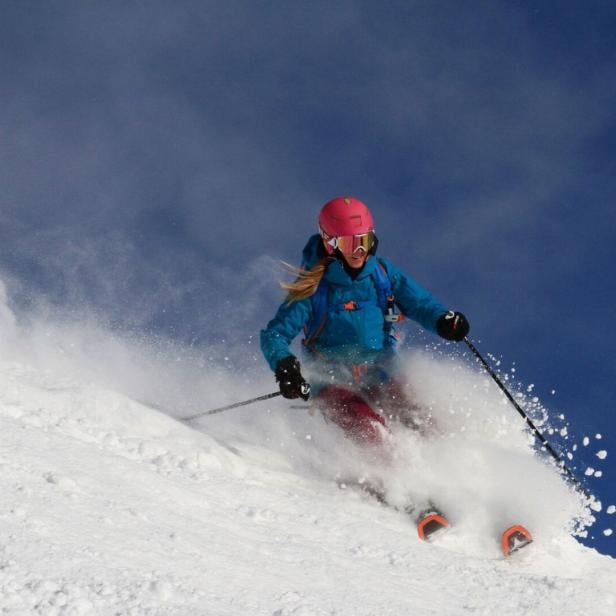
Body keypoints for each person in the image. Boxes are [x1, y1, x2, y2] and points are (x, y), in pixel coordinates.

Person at [260, 196, 470, 449]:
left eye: (365, 242)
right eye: (350, 245)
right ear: (330, 244)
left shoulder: (382, 273)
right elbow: (275, 335)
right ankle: (387, 482)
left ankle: (451, 474)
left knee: (423, 425)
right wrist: (286, 368)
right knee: (373, 432)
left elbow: (419, 303)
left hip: (381, 371)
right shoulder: (313, 289)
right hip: (332, 380)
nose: (359, 252)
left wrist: (443, 320)